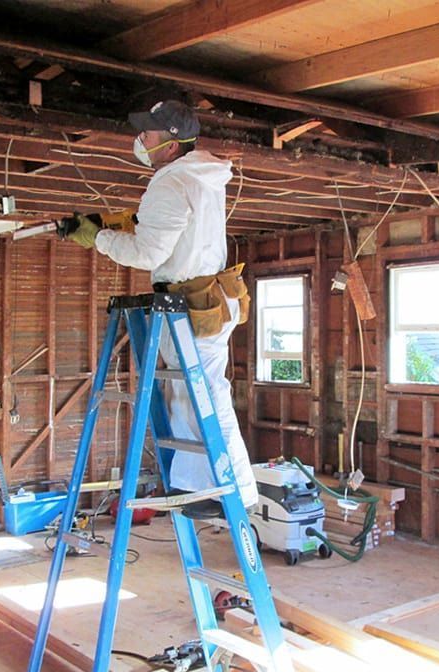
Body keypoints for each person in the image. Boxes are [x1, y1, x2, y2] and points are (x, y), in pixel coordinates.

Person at [66, 99, 258, 518]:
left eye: (148, 135)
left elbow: (150, 251)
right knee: (191, 396)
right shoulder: (201, 177)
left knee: (206, 397)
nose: (140, 141)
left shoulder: (169, 183)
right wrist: (115, 222)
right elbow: (168, 229)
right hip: (202, 297)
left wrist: (97, 239)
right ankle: (201, 488)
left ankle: (237, 493)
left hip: (188, 302)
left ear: (171, 145)